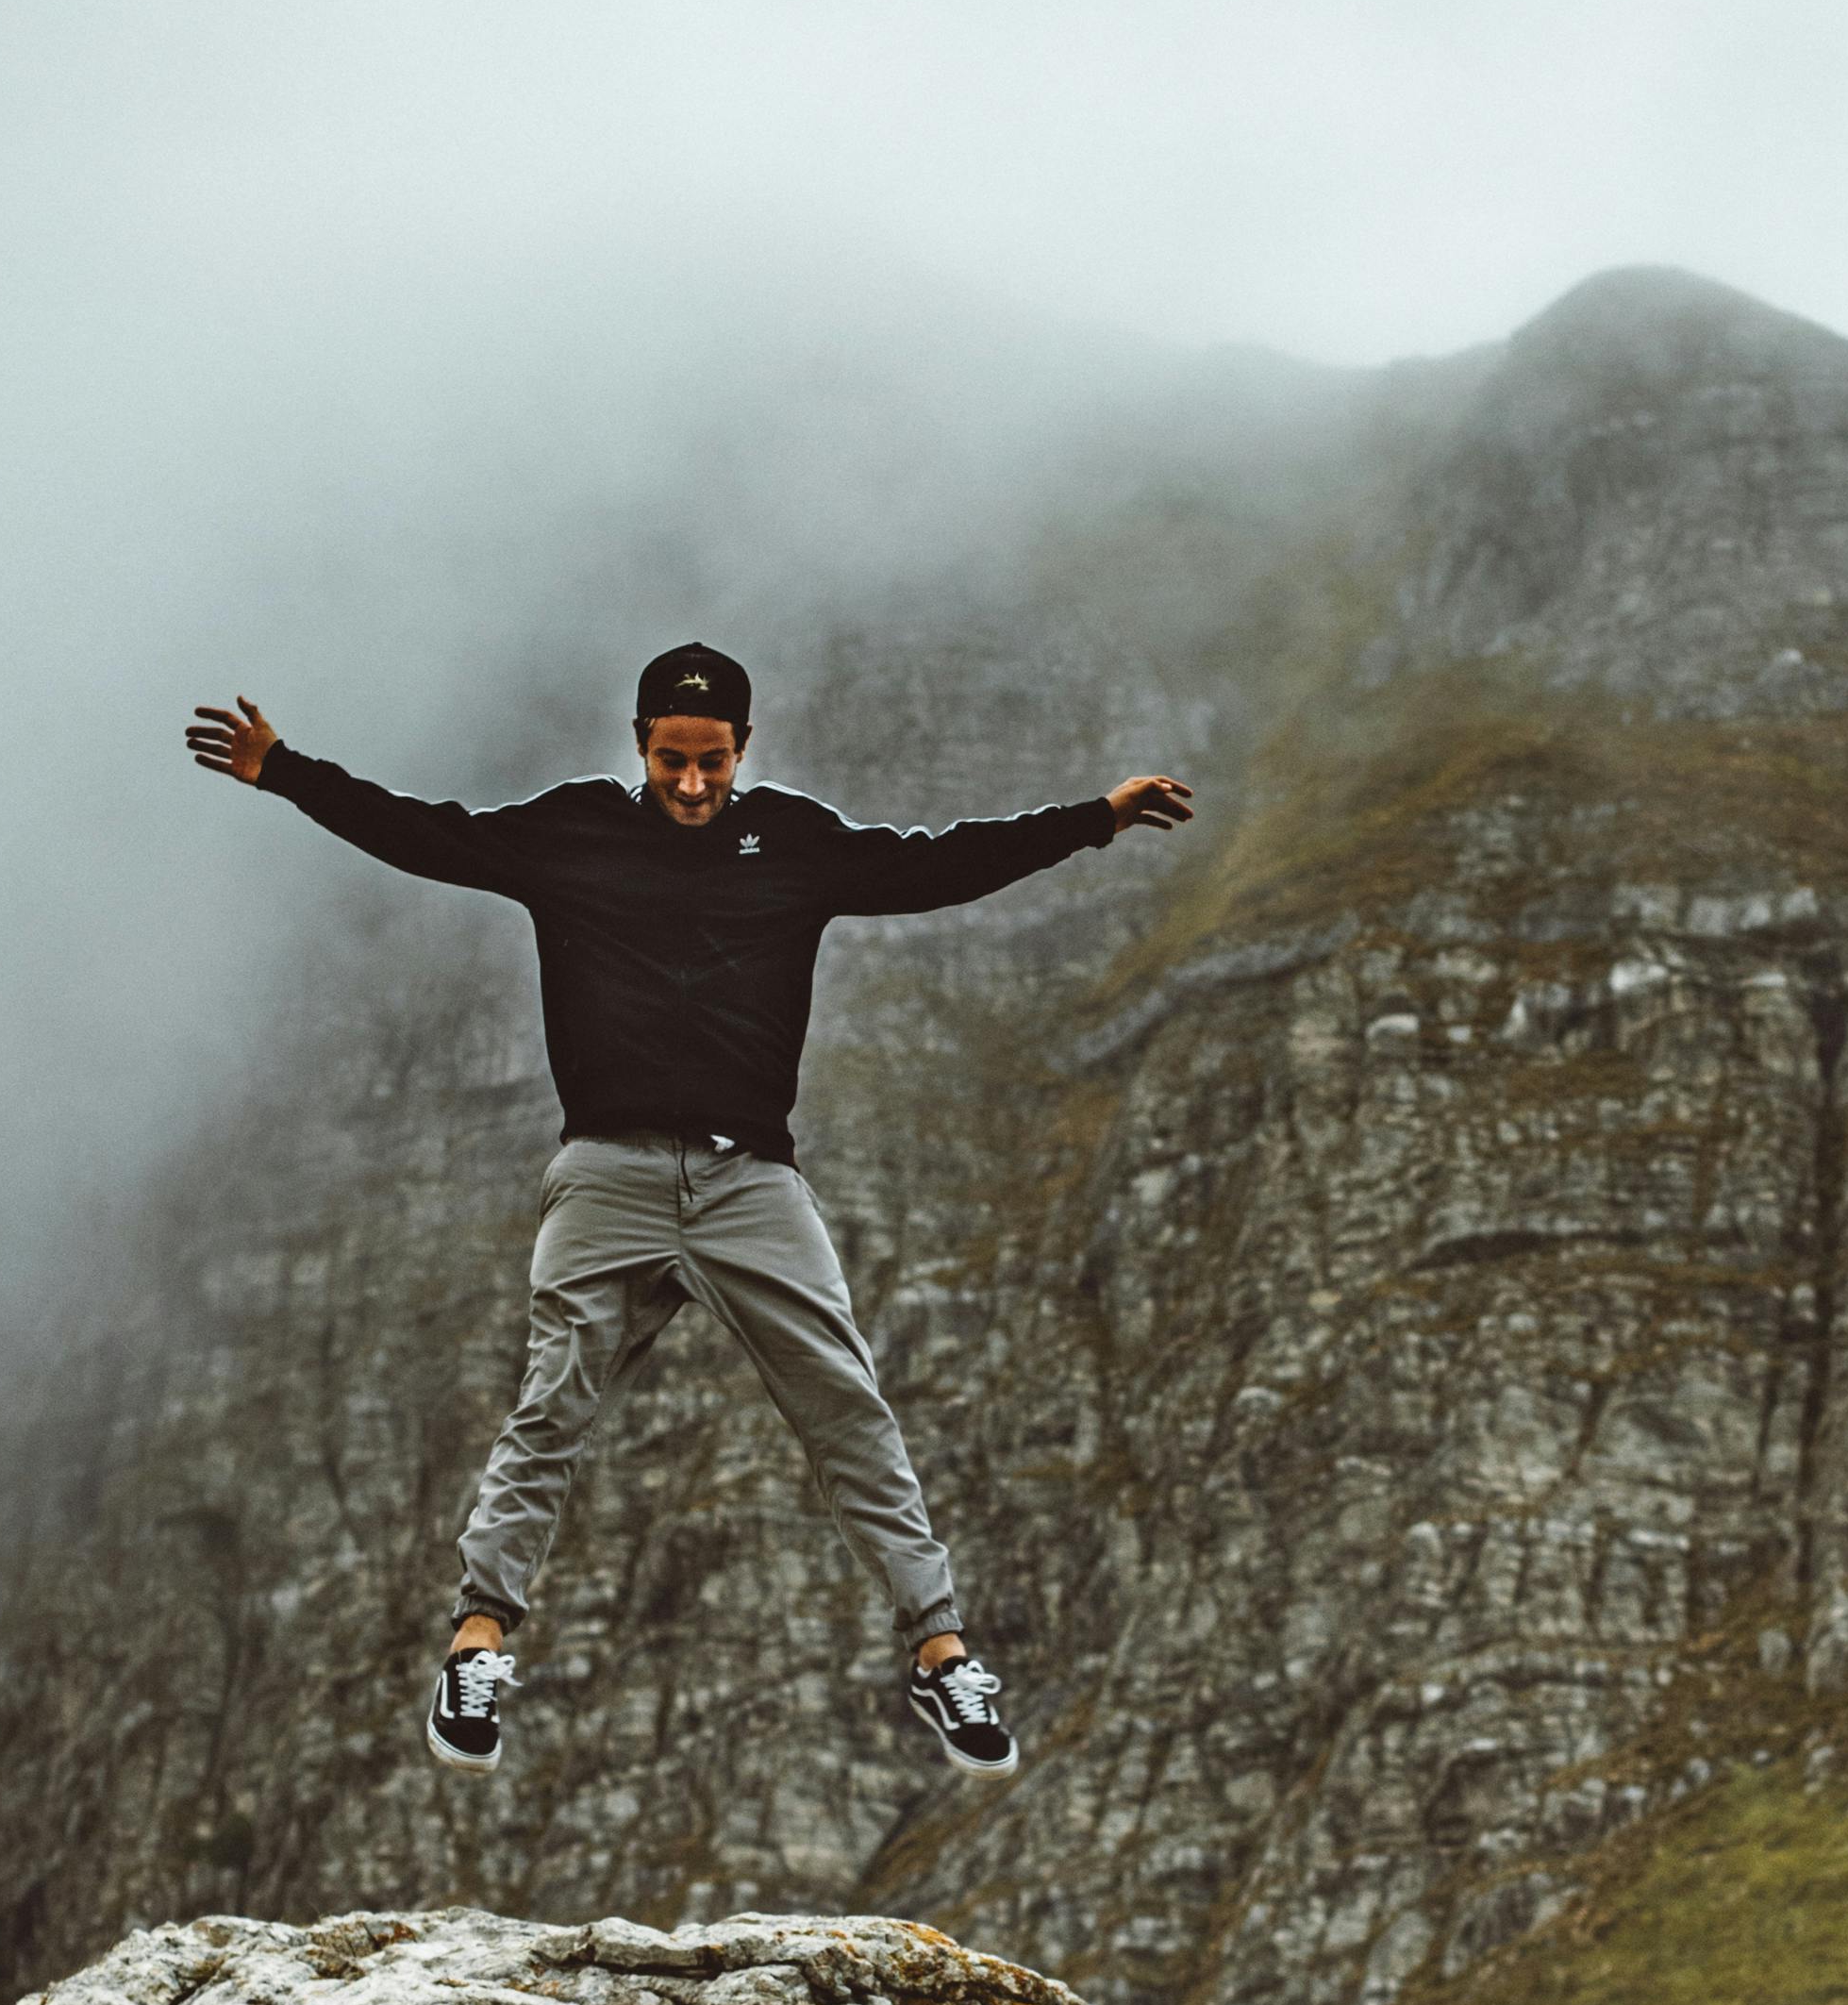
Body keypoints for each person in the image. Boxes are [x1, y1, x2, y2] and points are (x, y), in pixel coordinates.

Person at [185, 642, 1191, 1775]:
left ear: (745, 750)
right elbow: (429, 833)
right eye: (673, 760)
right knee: (552, 1403)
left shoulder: (797, 844)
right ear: (638, 745)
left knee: (846, 1406)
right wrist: (286, 771)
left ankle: (941, 1654)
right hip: (607, 1175)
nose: (694, 784)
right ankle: (478, 1643)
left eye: (713, 762)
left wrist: (1093, 820)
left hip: (750, 1182)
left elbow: (940, 864)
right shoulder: (571, 833)